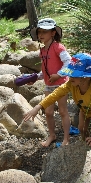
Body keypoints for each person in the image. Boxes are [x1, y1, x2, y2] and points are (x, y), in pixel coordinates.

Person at [23, 53, 91, 147]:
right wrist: (38, 107)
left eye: (74, 75)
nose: (70, 77)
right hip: (85, 109)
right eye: (70, 74)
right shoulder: (71, 84)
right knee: (81, 128)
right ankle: (85, 143)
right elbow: (55, 95)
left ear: (87, 77)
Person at [29, 18, 72, 147]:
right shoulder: (42, 50)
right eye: (39, 32)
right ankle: (52, 135)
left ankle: (66, 138)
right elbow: (46, 70)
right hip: (49, 85)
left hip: (61, 84)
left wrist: (59, 74)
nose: (41, 35)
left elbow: (69, 62)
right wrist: (36, 77)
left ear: (53, 33)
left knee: (63, 111)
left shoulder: (58, 47)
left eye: (45, 32)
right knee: (48, 112)